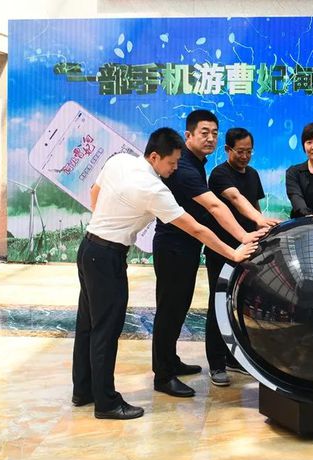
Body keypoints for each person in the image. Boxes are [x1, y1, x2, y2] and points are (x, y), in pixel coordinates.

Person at [72, 127, 258, 420]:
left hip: (89, 247)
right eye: (171, 163)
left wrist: (105, 222)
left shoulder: (119, 160)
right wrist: (234, 253)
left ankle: (83, 390)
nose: (174, 168)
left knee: (87, 325)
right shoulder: (153, 188)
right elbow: (196, 229)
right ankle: (106, 403)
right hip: (107, 257)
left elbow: (94, 192)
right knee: (106, 329)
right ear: (155, 157)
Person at [151, 110, 266, 398]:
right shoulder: (185, 169)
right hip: (173, 247)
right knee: (169, 309)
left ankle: (170, 361)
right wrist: (243, 236)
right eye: (204, 133)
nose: (210, 138)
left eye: (214, 132)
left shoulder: (196, 163)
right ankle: (163, 375)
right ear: (188, 135)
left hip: (187, 246)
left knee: (179, 307)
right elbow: (215, 206)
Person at [205, 128, 280, 386]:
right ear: (227, 150)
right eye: (240, 152)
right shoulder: (219, 174)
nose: (245, 156)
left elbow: (254, 206)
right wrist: (259, 219)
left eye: (249, 151)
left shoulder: (253, 174)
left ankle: (233, 358)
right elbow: (236, 199)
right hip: (222, 249)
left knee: (238, 304)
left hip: (247, 249)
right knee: (218, 304)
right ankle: (216, 364)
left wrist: (261, 227)